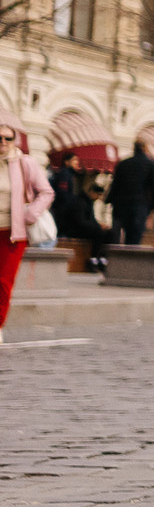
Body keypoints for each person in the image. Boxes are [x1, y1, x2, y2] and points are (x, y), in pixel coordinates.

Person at [0, 126, 53, 344]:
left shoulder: (25, 163)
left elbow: (46, 192)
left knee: (3, 282)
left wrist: (31, 214)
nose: (3, 141)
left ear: (15, 141)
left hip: (12, 234)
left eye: (8, 138)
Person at [108, 140, 154, 248]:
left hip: (121, 207)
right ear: (145, 148)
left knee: (117, 239)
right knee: (134, 240)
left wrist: (111, 201)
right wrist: (152, 208)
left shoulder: (123, 163)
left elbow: (115, 185)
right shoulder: (150, 164)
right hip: (139, 207)